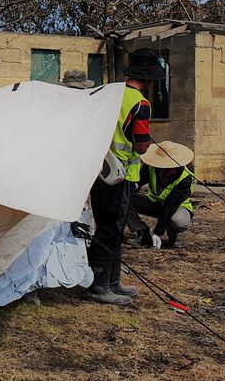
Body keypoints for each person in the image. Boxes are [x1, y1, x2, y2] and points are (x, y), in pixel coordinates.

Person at [86, 48, 165, 305]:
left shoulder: (110, 94)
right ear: (151, 79)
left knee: (113, 227)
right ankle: (99, 286)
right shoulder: (140, 104)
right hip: (121, 175)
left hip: (100, 171)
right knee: (111, 228)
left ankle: (112, 282)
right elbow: (141, 146)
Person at [127, 141, 195, 249]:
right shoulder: (151, 167)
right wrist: (128, 191)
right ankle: (142, 233)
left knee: (178, 221)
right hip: (154, 203)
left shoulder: (185, 177)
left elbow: (171, 205)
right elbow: (138, 182)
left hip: (177, 208)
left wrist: (157, 232)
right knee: (123, 200)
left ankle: (173, 234)